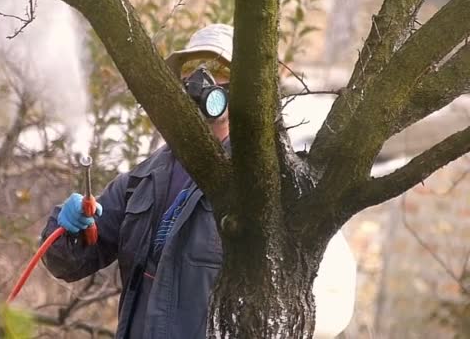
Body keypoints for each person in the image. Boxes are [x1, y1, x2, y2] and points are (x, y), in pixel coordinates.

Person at [40, 24, 356, 339]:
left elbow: (317, 300)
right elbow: (68, 263)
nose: (201, 78)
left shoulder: (266, 187)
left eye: (218, 67)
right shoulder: (144, 179)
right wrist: (69, 227)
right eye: (193, 66)